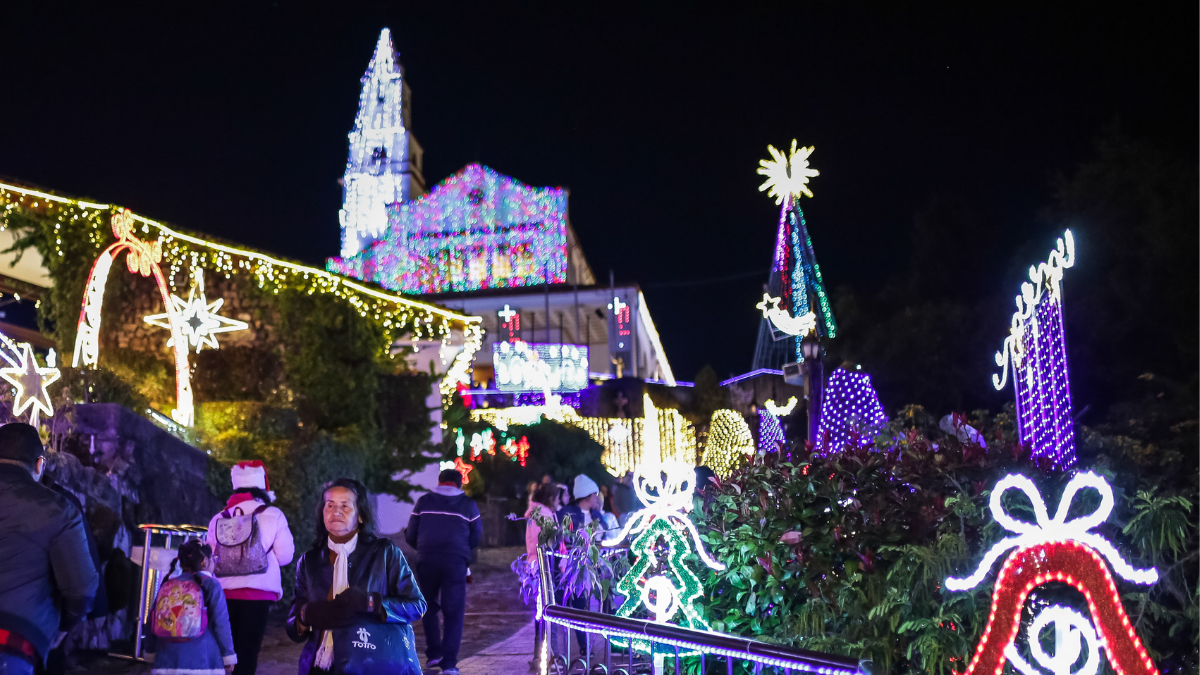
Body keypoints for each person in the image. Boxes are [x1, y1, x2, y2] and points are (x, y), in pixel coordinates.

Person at [287, 478, 426, 675]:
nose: (336, 511)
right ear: (322, 514)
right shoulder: (309, 561)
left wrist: (371, 603)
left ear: (360, 515)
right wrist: (305, 614)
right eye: (330, 505)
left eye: (345, 506)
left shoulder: (385, 552)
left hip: (372, 664)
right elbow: (294, 620)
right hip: (320, 667)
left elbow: (417, 605)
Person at [0, 423, 98, 675]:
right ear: (39, 464)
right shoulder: (59, 510)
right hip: (14, 641)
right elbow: (81, 588)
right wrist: (62, 627)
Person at [206, 461, 295, 675]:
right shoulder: (273, 514)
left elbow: (210, 558)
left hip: (224, 593)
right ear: (261, 487)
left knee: (226, 650)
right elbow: (285, 556)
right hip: (259, 594)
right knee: (248, 651)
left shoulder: (219, 518)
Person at [404, 469, 482, 675]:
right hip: (455, 561)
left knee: (428, 606)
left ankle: (433, 655)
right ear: (460, 484)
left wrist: (422, 548)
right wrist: (463, 551)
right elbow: (476, 538)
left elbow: (410, 534)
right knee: (453, 612)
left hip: (426, 559)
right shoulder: (469, 505)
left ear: (439, 482)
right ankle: (449, 664)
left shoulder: (423, 502)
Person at [147, 539, 237, 675]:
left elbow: (152, 619)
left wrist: (150, 650)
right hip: (203, 660)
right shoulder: (212, 585)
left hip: (166, 659)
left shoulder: (168, 585)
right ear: (205, 561)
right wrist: (228, 655)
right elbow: (221, 623)